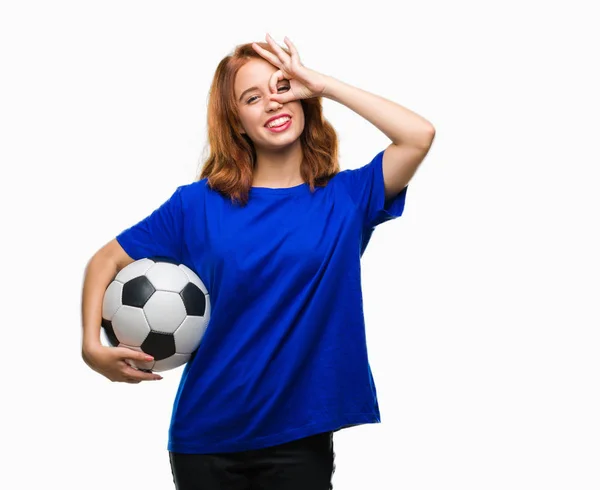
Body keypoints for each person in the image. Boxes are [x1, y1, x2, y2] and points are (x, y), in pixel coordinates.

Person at [81, 33, 435, 490]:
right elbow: (105, 260)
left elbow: (418, 135)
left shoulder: (347, 198)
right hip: (204, 437)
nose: (272, 102)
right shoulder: (198, 205)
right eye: (252, 97)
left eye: (283, 87)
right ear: (237, 122)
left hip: (299, 437)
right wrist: (92, 345)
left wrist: (322, 83)